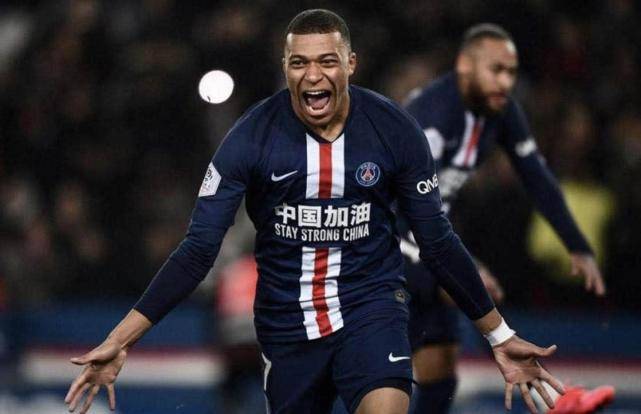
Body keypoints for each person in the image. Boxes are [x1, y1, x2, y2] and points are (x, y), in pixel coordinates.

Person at [64, 11, 564, 414]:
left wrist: (498, 334)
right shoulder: (250, 138)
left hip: (372, 307)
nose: (313, 75)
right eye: (299, 63)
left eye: (327, 61)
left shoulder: (395, 131)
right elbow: (198, 251)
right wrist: (120, 341)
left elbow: (436, 240)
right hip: (287, 325)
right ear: (285, 68)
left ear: (351, 64)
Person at [401, 24, 612, 414]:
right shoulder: (428, 121)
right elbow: (398, 208)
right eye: (495, 70)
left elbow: (536, 175)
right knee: (470, 289)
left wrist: (576, 243)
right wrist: (461, 264)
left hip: (428, 233)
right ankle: (553, 399)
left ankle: (552, 398)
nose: (506, 81)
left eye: (511, 72)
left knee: (438, 368)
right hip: (386, 235)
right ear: (465, 66)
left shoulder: (499, 110)